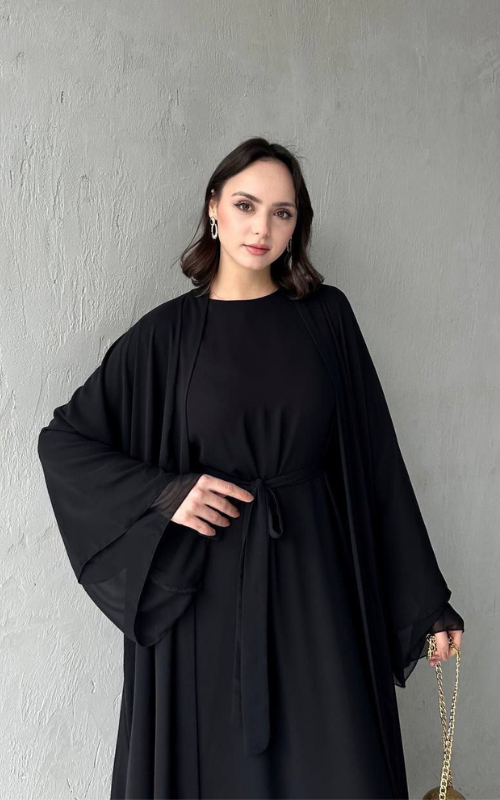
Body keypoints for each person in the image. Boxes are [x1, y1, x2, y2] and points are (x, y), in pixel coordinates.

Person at [38, 137, 464, 800]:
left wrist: (424, 604)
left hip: (318, 591)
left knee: (338, 768)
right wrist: (167, 493)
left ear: (297, 226)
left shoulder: (326, 319)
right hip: (202, 601)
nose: (262, 227)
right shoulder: (165, 337)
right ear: (214, 207)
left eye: (282, 212)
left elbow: (376, 461)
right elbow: (65, 441)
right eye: (245, 205)